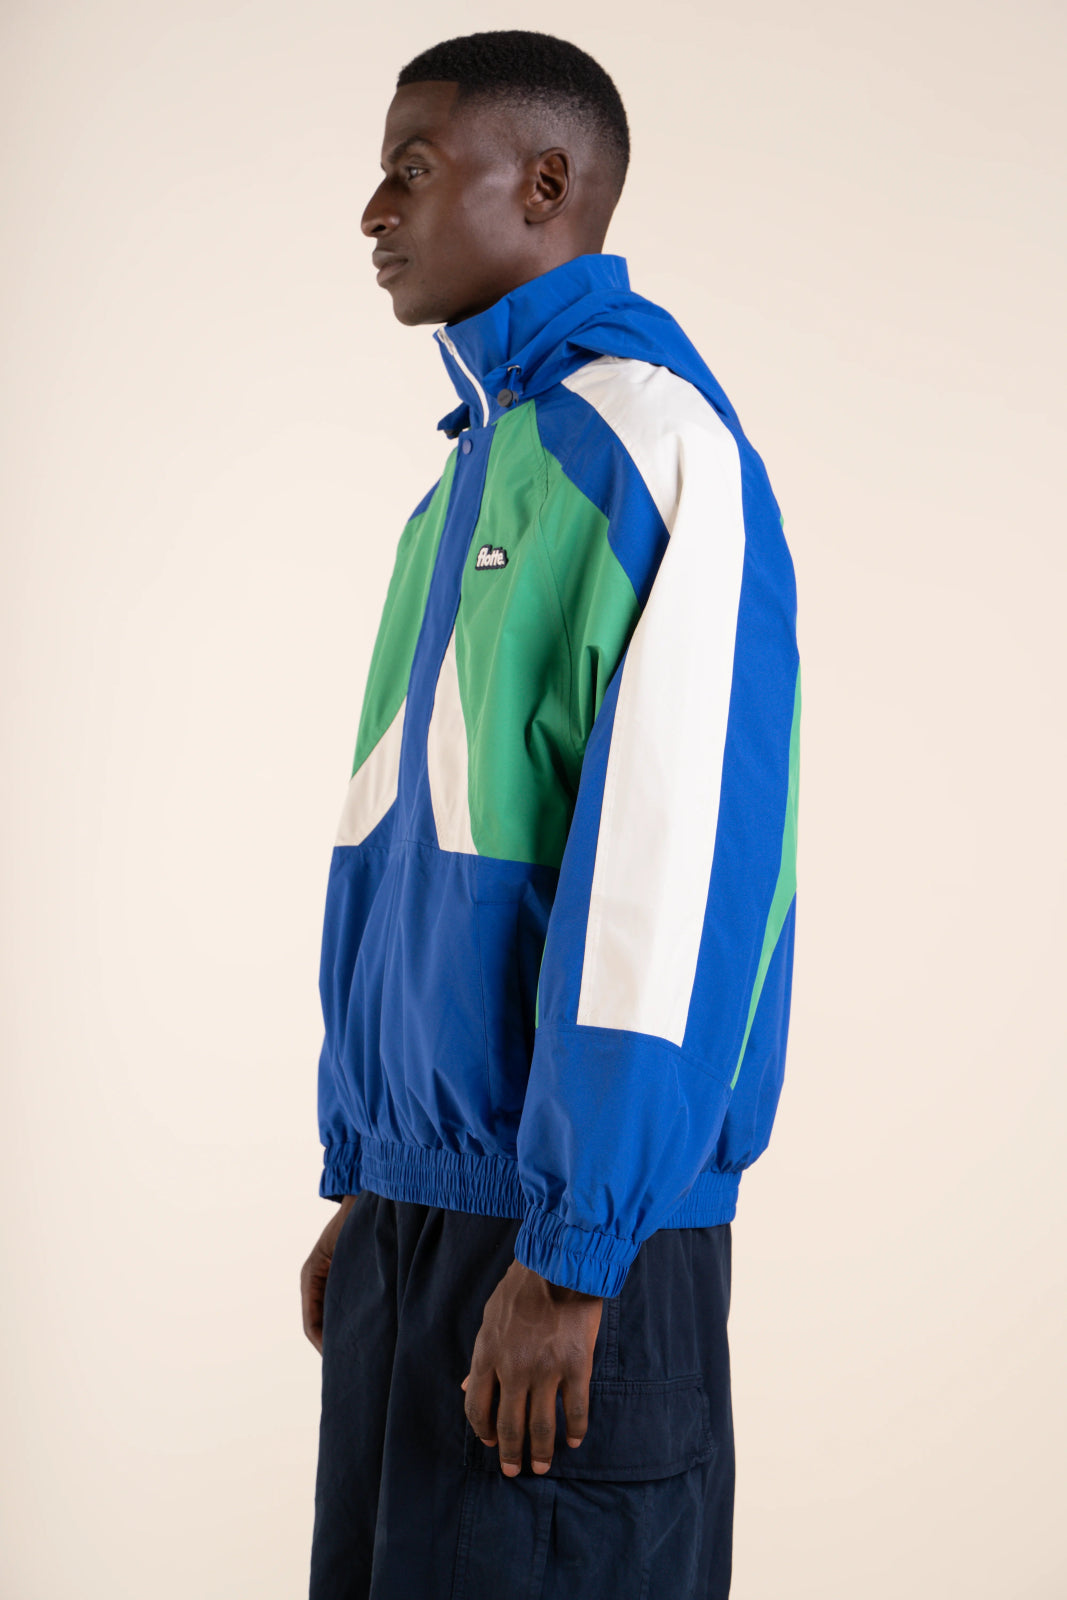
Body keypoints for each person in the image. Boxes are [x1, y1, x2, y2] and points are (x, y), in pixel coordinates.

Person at [300, 29, 800, 1600]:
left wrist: (578, 1245)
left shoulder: (657, 445)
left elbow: (677, 874)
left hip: (573, 1249)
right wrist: (378, 1176)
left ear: (544, 184)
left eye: (413, 167)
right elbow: (409, 866)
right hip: (423, 1223)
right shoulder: (465, 481)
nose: (374, 209)